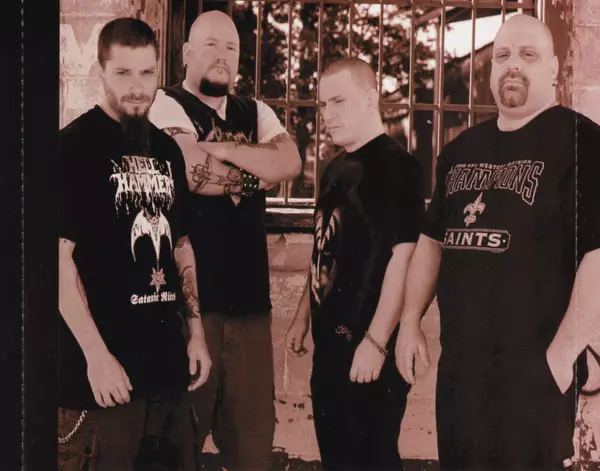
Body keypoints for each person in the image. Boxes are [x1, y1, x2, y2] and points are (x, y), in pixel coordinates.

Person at [395, 14, 600, 471]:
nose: (513, 65)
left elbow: (598, 255)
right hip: (461, 375)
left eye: (528, 55)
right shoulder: (462, 149)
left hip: (534, 375)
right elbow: (432, 241)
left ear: (553, 68)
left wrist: (559, 359)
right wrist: (409, 320)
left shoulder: (583, 141)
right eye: (503, 55)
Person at [147, 10, 302, 471]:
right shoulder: (165, 102)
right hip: (190, 310)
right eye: (211, 45)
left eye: (231, 48)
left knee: (253, 451)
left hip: (251, 306)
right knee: (179, 447)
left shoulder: (255, 110)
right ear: (186, 53)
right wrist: (256, 170)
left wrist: (225, 150)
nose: (222, 56)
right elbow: (190, 171)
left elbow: (289, 162)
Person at [58, 18, 211, 471]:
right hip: (102, 383)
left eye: (146, 73)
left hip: (165, 377)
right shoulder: (71, 147)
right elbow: (56, 262)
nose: (137, 87)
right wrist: (96, 356)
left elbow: (180, 243)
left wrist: (196, 332)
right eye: (123, 73)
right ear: (100, 72)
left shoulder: (166, 150)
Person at [286, 58, 424, 471]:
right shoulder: (334, 169)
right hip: (330, 348)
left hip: (369, 349)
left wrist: (377, 342)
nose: (327, 114)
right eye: (323, 104)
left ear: (369, 98)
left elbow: (405, 258)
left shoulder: (398, 167)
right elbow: (324, 250)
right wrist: (302, 317)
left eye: (339, 101)